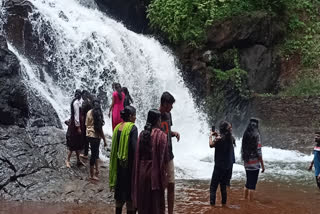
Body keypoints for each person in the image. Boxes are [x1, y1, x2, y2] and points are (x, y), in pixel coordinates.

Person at [132, 109, 169, 214]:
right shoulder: (162, 136)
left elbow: (137, 155)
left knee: (144, 204)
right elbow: (165, 159)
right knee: (156, 206)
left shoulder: (142, 134)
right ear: (158, 120)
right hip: (155, 175)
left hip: (142, 173)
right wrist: (165, 176)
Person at [109, 106, 138, 214]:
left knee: (119, 198)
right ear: (130, 116)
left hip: (118, 167)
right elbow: (135, 148)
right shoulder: (132, 128)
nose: (135, 118)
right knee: (130, 198)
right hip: (129, 167)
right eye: (134, 115)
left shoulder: (117, 128)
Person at [159, 91, 180, 214]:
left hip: (169, 154)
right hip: (158, 156)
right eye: (171, 104)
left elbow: (166, 130)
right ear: (165, 103)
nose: (172, 107)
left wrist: (173, 133)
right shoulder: (155, 115)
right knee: (161, 186)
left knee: (171, 184)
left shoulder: (168, 115)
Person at [209, 121, 235, 206]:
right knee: (223, 187)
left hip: (218, 167)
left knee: (213, 188)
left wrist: (210, 136)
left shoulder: (219, 139)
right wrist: (217, 135)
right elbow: (222, 139)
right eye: (229, 127)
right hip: (226, 167)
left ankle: (212, 207)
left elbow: (211, 145)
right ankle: (224, 205)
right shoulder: (231, 138)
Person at [241, 118, 265, 201]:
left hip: (247, 162)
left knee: (248, 182)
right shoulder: (256, 135)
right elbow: (259, 152)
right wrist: (262, 165)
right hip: (255, 164)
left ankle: (244, 199)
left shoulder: (245, 134)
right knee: (252, 185)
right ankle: (250, 203)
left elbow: (243, 149)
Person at [85, 99, 107, 180]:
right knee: (94, 155)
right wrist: (104, 140)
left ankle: (97, 169)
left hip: (88, 134)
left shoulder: (89, 112)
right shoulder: (98, 113)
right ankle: (92, 175)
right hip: (95, 136)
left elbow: (86, 124)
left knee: (95, 152)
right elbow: (100, 129)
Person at [65, 89, 85, 168]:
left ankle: (78, 160)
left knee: (77, 142)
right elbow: (76, 116)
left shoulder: (76, 101)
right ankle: (67, 160)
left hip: (74, 124)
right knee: (73, 143)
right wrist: (78, 127)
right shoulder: (76, 103)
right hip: (75, 126)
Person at [80, 90, 94, 159]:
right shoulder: (92, 100)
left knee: (86, 137)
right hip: (93, 120)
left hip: (86, 121)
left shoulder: (85, 102)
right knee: (92, 135)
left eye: (82, 96)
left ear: (84, 95)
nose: (81, 97)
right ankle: (94, 153)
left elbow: (82, 113)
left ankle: (85, 153)